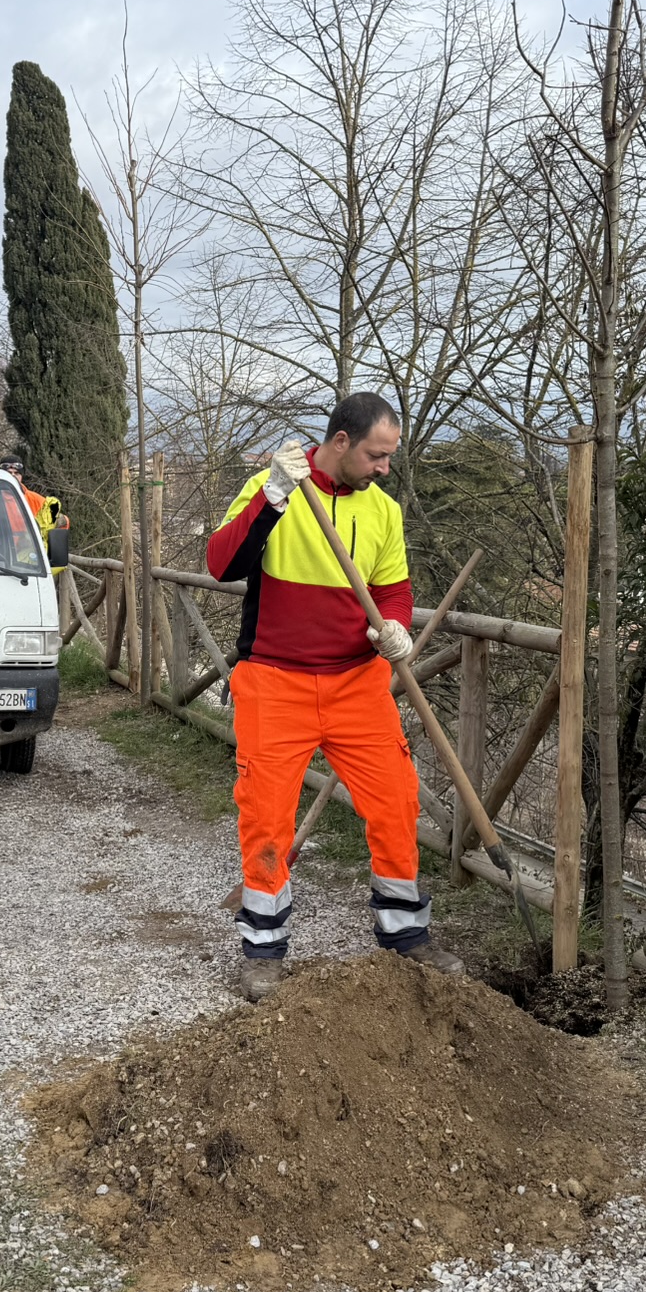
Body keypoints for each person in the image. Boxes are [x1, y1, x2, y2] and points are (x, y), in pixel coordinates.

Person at [205, 391, 464, 1001]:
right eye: (377, 454)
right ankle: (263, 946)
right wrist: (269, 498)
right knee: (266, 815)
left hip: (357, 683)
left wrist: (395, 626)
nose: (384, 467)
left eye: (390, 457)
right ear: (341, 441)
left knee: (397, 801)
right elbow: (221, 564)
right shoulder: (273, 488)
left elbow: (393, 591)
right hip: (274, 681)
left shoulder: (384, 512)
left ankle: (403, 932)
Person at [0, 455, 67, 570]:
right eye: (8, 473)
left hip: (28, 563)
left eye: (16, 473)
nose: (12, 476)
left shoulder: (36, 500)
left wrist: (60, 520)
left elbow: (59, 525)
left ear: (22, 476)